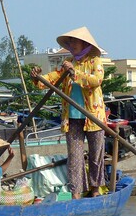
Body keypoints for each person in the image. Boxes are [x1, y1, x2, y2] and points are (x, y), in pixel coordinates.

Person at [30, 26, 107, 199]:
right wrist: (37, 77)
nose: (71, 44)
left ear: (84, 43)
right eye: (70, 41)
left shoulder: (95, 61)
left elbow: (96, 80)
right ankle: (76, 194)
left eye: (74, 41)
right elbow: (51, 79)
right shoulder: (68, 62)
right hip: (72, 118)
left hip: (93, 117)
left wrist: (75, 72)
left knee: (96, 155)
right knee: (75, 158)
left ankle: (95, 190)